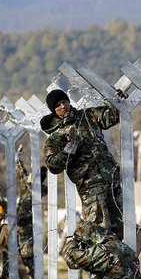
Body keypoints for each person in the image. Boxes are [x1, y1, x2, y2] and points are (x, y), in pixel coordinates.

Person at [41, 89, 124, 240]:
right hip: (91, 189)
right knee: (99, 234)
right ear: (53, 110)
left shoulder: (87, 116)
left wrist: (117, 101)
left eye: (64, 102)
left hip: (112, 181)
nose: (62, 106)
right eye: (58, 105)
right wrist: (69, 150)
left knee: (119, 231)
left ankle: (121, 262)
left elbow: (110, 116)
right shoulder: (58, 136)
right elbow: (52, 165)